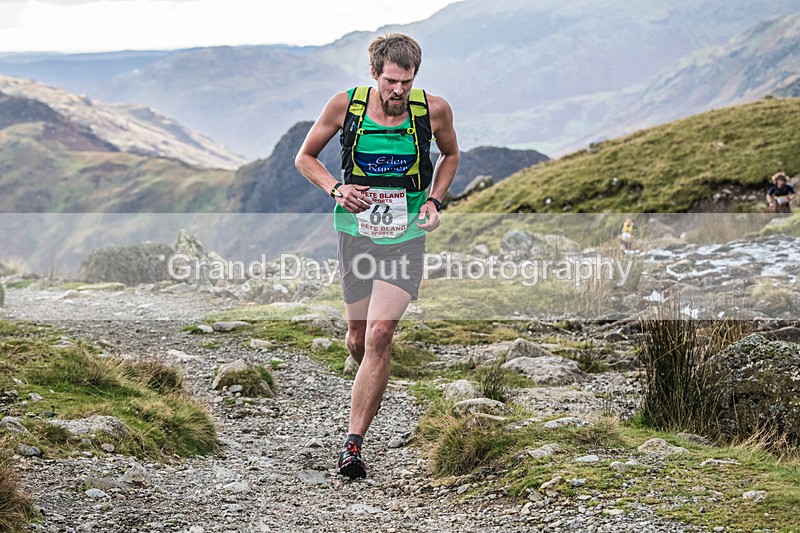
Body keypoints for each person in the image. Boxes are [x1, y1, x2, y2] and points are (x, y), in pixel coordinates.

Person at [295, 33, 459, 479]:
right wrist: (337, 188)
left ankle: (353, 444)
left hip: (405, 234)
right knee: (357, 337)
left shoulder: (433, 110)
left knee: (380, 334)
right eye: (391, 81)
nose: (399, 91)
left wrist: (434, 201)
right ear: (374, 75)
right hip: (356, 233)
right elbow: (305, 157)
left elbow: (450, 155)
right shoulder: (344, 106)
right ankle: (368, 365)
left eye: (407, 82)